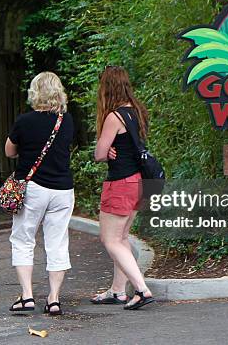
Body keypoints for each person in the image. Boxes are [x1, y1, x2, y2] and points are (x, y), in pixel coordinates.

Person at [5, 71, 75, 316]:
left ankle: (27, 296)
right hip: (63, 190)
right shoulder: (66, 121)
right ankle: (53, 299)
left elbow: (9, 151)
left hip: (33, 188)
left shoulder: (24, 121)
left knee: (23, 239)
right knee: (57, 242)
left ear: (35, 93)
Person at [91, 65, 154, 310]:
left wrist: (106, 151)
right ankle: (117, 291)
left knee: (110, 240)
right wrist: (110, 150)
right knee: (122, 237)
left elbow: (98, 153)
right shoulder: (136, 112)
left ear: (107, 88)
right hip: (138, 181)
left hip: (120, 183)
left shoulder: (113, 117)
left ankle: (141, 289)